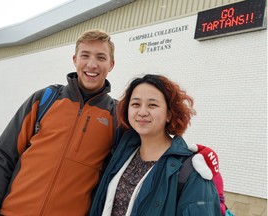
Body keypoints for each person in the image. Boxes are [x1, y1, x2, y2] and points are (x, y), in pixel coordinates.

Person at [0, 29, 219, 216]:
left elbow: (153, 140)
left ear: (111, 65)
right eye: (85, 55)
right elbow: (4, 159)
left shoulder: (118, 117)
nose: (92, 65)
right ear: (75, 59)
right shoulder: (44, 100)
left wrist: (193, 154)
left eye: (101, 57)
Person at [89, 74, 221, 216]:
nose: (142, 112)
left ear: (169, 114)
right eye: (135, 104)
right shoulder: (121, 154)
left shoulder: (190, 171)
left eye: (152, 105)